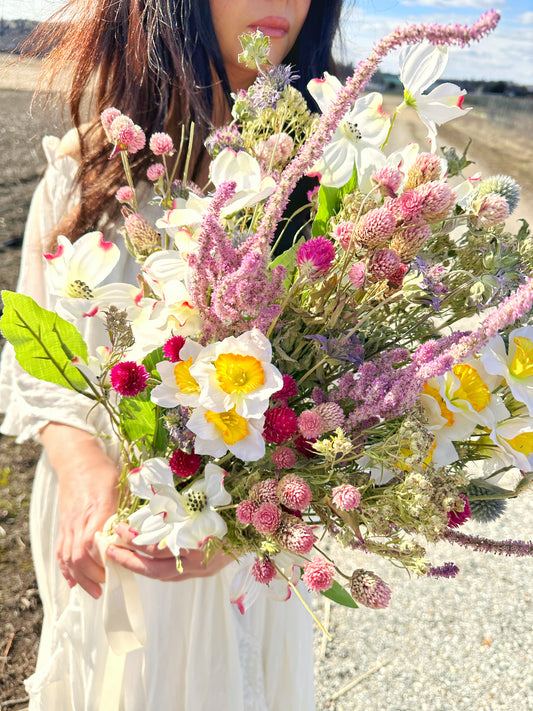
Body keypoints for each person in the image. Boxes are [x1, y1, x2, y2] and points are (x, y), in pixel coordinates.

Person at [0, 1, 344, 709]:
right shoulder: (88, 174)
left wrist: (240, 522)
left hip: (245, 559)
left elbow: (348, 411)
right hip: (104, 542)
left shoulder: (332, 184)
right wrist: (85, 468)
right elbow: (42, 363)